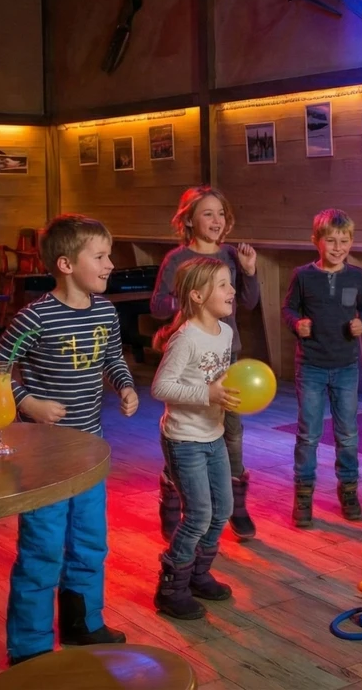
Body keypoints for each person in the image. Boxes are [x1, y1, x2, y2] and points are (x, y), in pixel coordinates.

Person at [0, 214, 139, 666]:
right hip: (44, 458)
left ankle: (82, 624)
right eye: (100, 256)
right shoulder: (34, 317)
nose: (110, 264)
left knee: (91, 541)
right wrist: (28, 403)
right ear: (66, 264)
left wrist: (127, 385)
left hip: (90, 452)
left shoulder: (107, 311)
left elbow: (114, 357)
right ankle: (30, 647)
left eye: (108, 255)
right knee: (41, 549)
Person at [151, 186, 260, 541]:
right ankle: (172, 498)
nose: (217, 220)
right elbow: (157, 305)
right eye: (208, 213)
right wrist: (189, 304)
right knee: (188, 429)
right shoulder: (177, 259)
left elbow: (247, 300)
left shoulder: (231, 254)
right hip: (192, 357)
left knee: (232, 432)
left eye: (221, 214)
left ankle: (236, 506)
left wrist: (249, 270)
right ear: (188, 220)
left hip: (227, 355)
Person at [150, 258, 238, 620]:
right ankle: (171, 586)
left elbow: (222, 380)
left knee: (223, 511)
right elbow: (160, 387)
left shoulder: (226, 333)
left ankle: (199, 575)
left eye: (230, 284)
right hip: (184, 438)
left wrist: (230, 394)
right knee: (199, 514)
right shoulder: (185, 338)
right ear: (198, 295)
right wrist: (208, 394)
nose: (231, 290)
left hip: (213, 434)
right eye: (223, 285)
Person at [282, 209, 362, 527]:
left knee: (347, 434)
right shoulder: (303, 276)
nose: (337, 247)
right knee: (309, 434)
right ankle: (303, 497)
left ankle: (349, 491)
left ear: (351, 242)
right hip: (311, 366)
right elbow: (289, 308)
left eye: (344, 241)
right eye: (331, 241)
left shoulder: (357, 276)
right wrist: (298, 323)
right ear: (316, 242)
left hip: (346, 366)